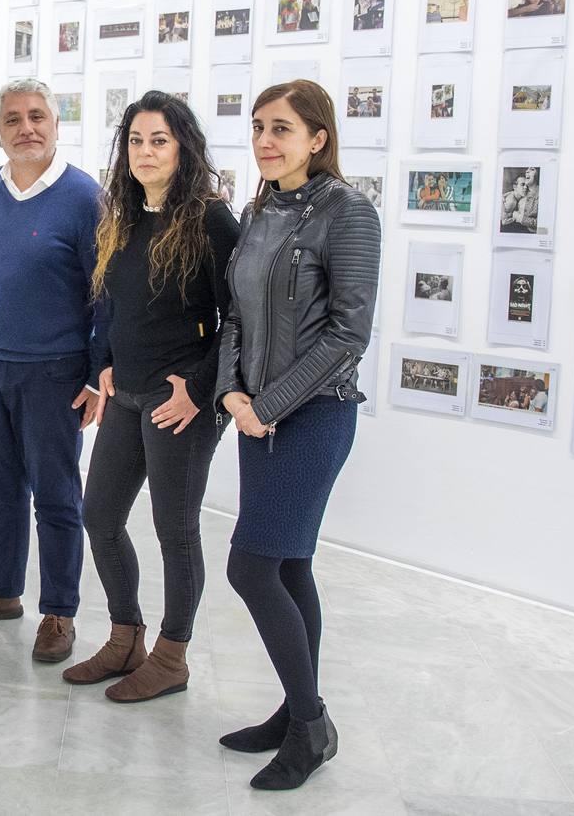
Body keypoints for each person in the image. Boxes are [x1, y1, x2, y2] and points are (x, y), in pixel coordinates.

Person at [214, 80, 381, 791]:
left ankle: (312, 727)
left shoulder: (349, 213)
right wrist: (232, 393)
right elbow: (234, 316)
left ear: (319, 137)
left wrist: (270, 403)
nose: (265, 141)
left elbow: (349, 335)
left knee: (251, 568)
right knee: (287, 567)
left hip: (313, 416)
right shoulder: (261, 210)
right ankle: (294, 711)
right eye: (257, 127)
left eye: (281, 128)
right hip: (257, 415)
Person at [61, 91, 239, 702]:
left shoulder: (211, 220)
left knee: (175, 529)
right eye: (136, 141)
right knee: (100, 517)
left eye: (159, 140)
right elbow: (111, 302)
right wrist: (104, 363)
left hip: (179, 403)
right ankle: (125, 636)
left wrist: (202, 389)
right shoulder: (124, 214)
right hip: (128, 394)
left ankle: (172, 655)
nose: (145, 151)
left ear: (183, 145)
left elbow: (239, 320)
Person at [0, 78, 107, 665]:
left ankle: (59, 611)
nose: (26, 127)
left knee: (57, 497)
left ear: (57, 125)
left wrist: (94, 374)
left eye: (37, 116)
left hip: (55, 374)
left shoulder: (84, 197)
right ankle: (2, 591)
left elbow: (103, 294)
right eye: (12, 119)